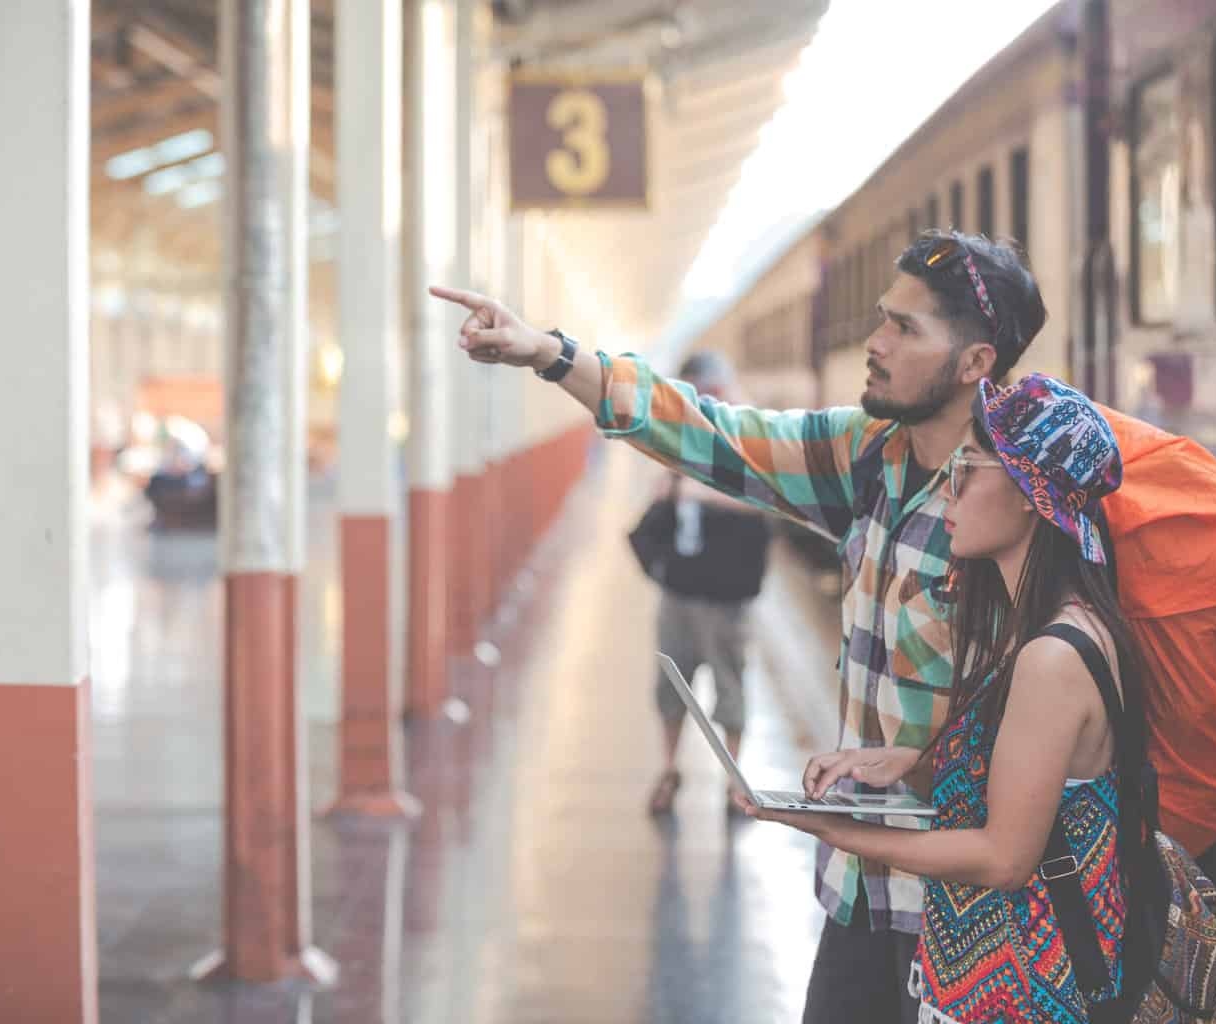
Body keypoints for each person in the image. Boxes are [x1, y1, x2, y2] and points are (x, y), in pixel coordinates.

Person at [430, 230, 1046, 1023]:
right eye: (882, 318)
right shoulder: (869, 459)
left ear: (976, 363)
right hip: (859, 891)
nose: (875, 342)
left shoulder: (1016, 511)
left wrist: (922, 767)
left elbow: (1046, 723)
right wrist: (551, 354)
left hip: (968, 918)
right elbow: (710, 433)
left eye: (905, 328)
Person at [737, 374, 1139, 1024]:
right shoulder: (1037, 629)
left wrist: (841, 830)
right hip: (1000, 979)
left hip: (1028, 996)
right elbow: (1027, 785)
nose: (949, 489)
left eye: (970, 468)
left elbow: (1003, 857)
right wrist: (906, 760)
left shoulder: (1053, 655)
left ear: (1033, 495)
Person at [638, 351, 772, 816]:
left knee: (729, 685)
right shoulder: (685, 437)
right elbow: (665, 490)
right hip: (680, 587)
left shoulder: (753, 437)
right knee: (670, 687)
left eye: (712, 392)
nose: (705, 402)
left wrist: (694, 492)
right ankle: (669, 769)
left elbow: (770, 502)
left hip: (728, 593)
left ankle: (733, 781)